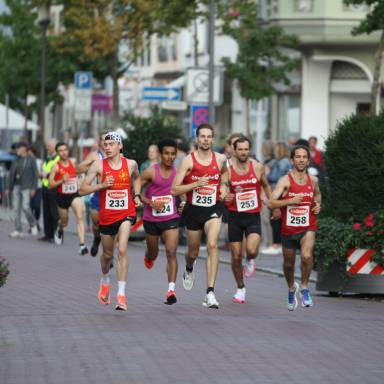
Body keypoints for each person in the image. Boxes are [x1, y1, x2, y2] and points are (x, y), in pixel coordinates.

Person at [80, 132, 142, 311]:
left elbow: (137, 178)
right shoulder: (98, 165)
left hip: (126, 213)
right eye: (105, 144)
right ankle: (105, 280)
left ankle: (121, 295)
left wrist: (136, 194)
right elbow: (82, 189)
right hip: (106, 216)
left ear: (120, 146)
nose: (107, 147)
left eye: (111, 144)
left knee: (122, 249)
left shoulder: (130, 164)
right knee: (107, 255)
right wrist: (101, 185)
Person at [171, 123, 228, 309]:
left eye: (209, 136)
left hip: (213, 208)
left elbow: (225, 175)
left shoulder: (220, 159)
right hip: (193, 210)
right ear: (197, 139)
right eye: (202, 136)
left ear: (213, 139)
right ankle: (189, 268)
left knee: (212, 244)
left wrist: (224, 188)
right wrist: (195, 185)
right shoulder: (188, 161)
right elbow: (174, 189)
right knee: (193, 251)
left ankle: (210, 292)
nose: (205, 140)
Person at [269, 145, 321, 311]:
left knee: (306, 256)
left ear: (308, 160)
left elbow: (318, 195)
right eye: (297, 157)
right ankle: (292, 288)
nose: (301, 160)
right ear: (292, 160)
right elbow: (271, 202)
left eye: (304, 157)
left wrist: (318, 205)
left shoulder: (313, 180)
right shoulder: (285, 180)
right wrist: (289, 201)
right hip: (289, 229)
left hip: (308, 226)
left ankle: (304, 287)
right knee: (289, 264)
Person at [225, 136, 276, 303]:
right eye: (240, 149)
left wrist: (273, 204)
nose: (243, 152)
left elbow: (266, 185)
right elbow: (222, 188)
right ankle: (240, 288)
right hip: (234, 216)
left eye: (246, 149)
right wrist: (225, 195)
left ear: (250, 150)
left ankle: (250, 260)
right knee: (235, 256)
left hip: (253, 215)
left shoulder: (258, 167)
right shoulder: (228, 169)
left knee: (252, 250)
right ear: (234, 150)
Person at [140, 139, 182, 305]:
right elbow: (134, 190)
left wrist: (184, 203)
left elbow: (183, 191)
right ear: (160, 154)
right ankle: (148, 256)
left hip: (171, 217)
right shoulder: (151, 172)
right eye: (166, 153)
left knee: (171, 252)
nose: (170, 157)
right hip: (151, 218)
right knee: (154, 253)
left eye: (173, 154)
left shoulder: (178, 173)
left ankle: (171, 290)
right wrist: (150, 202)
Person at [48, 142, 88, 255]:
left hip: (74, 195)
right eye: (60, 150)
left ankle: (82, 245)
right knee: (64, 222)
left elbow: (81, 171)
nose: (64, 152)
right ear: (57, 153)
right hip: (62, 197)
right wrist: (62, 180)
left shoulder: (73, 162)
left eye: (65, 149)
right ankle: (60, 229)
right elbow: (50, 185)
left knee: (79, 216)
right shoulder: (55, 167)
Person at [76, 130, 110, 256]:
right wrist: (94, 168)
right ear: (99, 142)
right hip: (98, 193)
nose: (106, 142)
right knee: (96, 225)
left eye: (109, 139)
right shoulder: (95, 155)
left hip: (113, 195)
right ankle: (96, 239)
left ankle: (109, 254)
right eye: (104, 139)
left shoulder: (118, 155)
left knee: (112, 227)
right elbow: (78, 168)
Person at [264, 142, 292, 255]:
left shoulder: (284, 162)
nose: (274, 151)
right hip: (276, 192)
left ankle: (277, 244)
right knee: (275, 219)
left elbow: (276, 176)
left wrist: (268, 174)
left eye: (276, 149)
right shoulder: (278, 162)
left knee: (276, 219)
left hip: (279, 192)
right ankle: (277, 244)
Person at [7, 142, 39, 238]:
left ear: (24, 148)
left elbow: (36, 174)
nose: (16, 150)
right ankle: (18, 229)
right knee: (16, 209)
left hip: (27, 186)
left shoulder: (31, 159)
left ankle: (33, 224)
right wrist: (9, 187)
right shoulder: (16, 159)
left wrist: (34, 188)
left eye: (18, 148)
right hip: (16, 186)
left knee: (25, 207)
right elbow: (11, 174)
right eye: (16, 149)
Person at [39, 139, 59, 242]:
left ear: (55, 147)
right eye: (47, 145)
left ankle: (56, 235)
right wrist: (41, 174)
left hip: (54, 188)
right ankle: (48, 234)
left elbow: (58, 173)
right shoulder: (48, 158)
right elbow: (44, 170)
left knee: (54, 213)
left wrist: (45, 175)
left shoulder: (58, 158)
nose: (47, 147)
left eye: (49, 146)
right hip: (45, 187)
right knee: (46, 212)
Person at [29, 146, 43, 232]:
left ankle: (36, 221)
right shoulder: (26, 162)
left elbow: (42, 173)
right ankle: (32, 225)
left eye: (31, 154)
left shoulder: (39, 162)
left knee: (37, 206)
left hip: (38, 187)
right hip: (28, 188)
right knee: (30, 208)